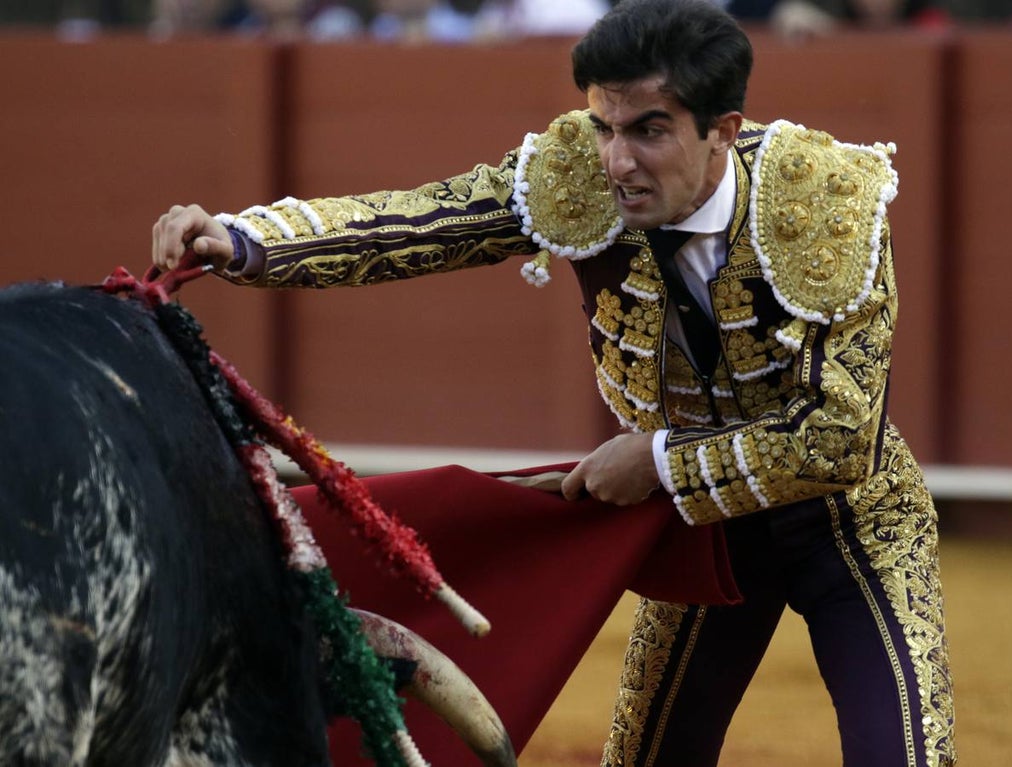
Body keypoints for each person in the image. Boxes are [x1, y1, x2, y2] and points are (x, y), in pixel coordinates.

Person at [151, 0, 956, 763]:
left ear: (723, 133)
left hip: (852, 525)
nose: (616, 160)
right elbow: (417, 223)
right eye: (605, 126)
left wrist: (659, 461)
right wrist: (247, 238)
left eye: (649, 131)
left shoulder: (826, 198)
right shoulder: (575, 173)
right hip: (699, 530)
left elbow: (841, 439)